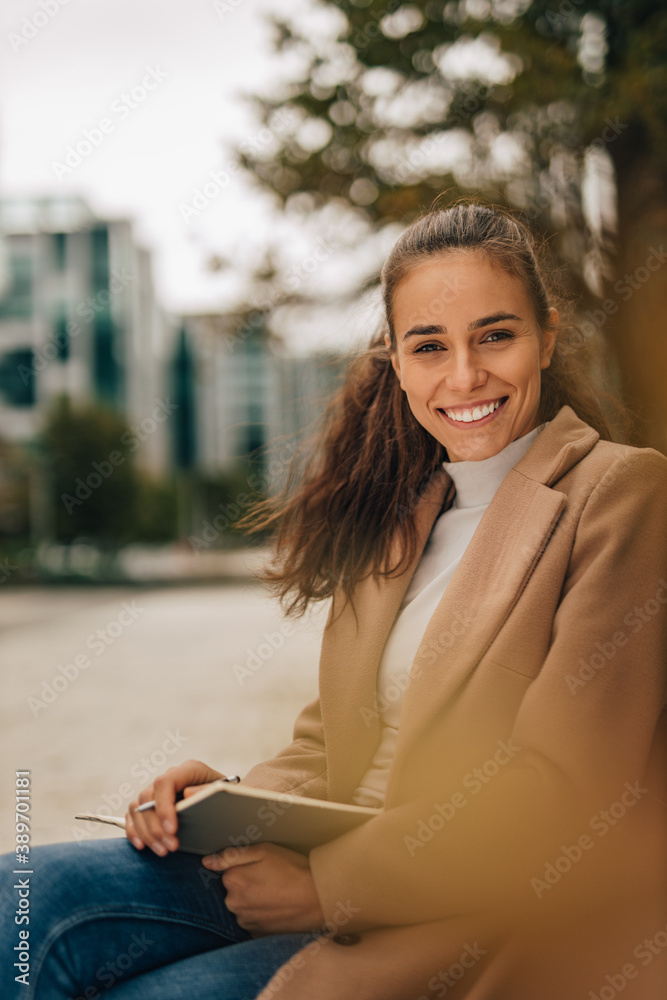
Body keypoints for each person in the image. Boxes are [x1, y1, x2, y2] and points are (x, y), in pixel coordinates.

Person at [2, 202, 666, 999]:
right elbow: (331, 745)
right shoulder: (401, 515)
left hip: (464, 918)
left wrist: (328, 888)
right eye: (429, 346)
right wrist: (231, 801)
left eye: (495, 335)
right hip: (320, 866)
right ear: (394, 360)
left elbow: (561, 794)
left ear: (547, 337)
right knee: (16, 904)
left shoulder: (621, 493)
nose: (463, 376)